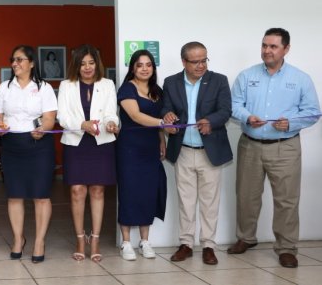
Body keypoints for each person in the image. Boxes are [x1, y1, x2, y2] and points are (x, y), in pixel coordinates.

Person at [228, 28, 320, 268]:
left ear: (286, 49)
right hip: (250, 145)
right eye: (264, 45)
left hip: (286, 147)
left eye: (273, 46)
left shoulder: (301, 79)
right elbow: (235, 105)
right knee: (246, 196)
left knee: (287, 200)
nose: (267, 51)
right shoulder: (246, 76)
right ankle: (246, 238)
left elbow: (312, 112)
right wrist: (247, 117)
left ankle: (287, 248)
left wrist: (291, 123)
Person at [161, 42, 232, 265]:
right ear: (184, 62)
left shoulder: (219, 80)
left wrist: (211, 121)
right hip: (182, 150)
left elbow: (225, 110)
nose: (201, 65)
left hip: (210, 151)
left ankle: (209, 245)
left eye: (204, 60)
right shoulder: (171, 82)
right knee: (186, 201)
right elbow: (164, 108)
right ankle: (186, 244)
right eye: (195, 62)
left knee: (210, 202)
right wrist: (168, 116)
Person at [0, 45, 57, 263]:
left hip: (39, 144)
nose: (14, 64)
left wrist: (42, 129)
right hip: (12, 145)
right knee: (15, 194)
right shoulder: (5, 87)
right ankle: (18, 239)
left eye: (19, 59)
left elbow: (49, 118)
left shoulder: (44, 88)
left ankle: (39, 241)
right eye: (13, 60)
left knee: (40, 195)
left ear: (32, 63)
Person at [57, 44, 118, 263]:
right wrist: (81, 124)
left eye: (91, 63)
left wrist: (112, 123)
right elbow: (62, 117)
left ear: (97, 64)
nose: (87, 67)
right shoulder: (66, 85)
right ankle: (80, 239)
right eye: (82, 63)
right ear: (76, 65)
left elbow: (112, 113)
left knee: (98, 190)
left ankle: (96, 240)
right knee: (77, 190)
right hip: (76, 142)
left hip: (101, 142)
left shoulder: (108, 84)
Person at [116, 49, 167, 261]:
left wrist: (162, 139)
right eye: (140, 65)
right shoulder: (127, 88)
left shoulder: (157, 91)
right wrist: (162, 124)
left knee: (148, 192)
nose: (145, 68)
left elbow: (160, 118)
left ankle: (145, 241)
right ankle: (126, 242)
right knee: (129, 192)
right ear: (133, 68)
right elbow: (136, 116)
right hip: (130, 147)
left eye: (148, 64)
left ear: (153, 68)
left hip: (150, 148)